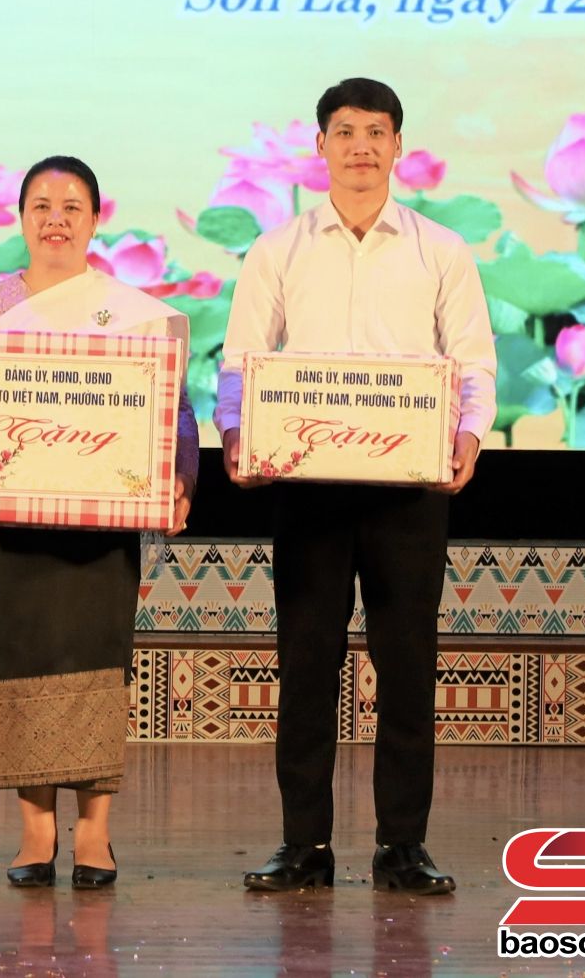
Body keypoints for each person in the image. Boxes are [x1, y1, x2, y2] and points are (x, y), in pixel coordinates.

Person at [216, 77, 496, 895]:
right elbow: (240, 360)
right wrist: (234, 431)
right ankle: (304, 844)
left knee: (407, 667)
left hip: (408, 488)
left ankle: (402, 845)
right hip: (309, 487)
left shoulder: (441, 249)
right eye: (345, 131)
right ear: (321, 146)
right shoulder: (278, 249)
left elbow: (472, 359)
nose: (362, 147)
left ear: (398, 146)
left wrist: (471, 433)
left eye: (377, 132)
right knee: (307, 665)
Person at [0, 155, 198, 888]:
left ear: (95, 220)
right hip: (10, 525)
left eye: (72, 207)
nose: (56, 220)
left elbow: (176, 410)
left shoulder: (132, 311)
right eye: (41, 205)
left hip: (100, 531)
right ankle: (35, 831)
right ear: (21, 218)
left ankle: (95, 832)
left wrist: (181, 479)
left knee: (95, 668)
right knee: (20, 664)